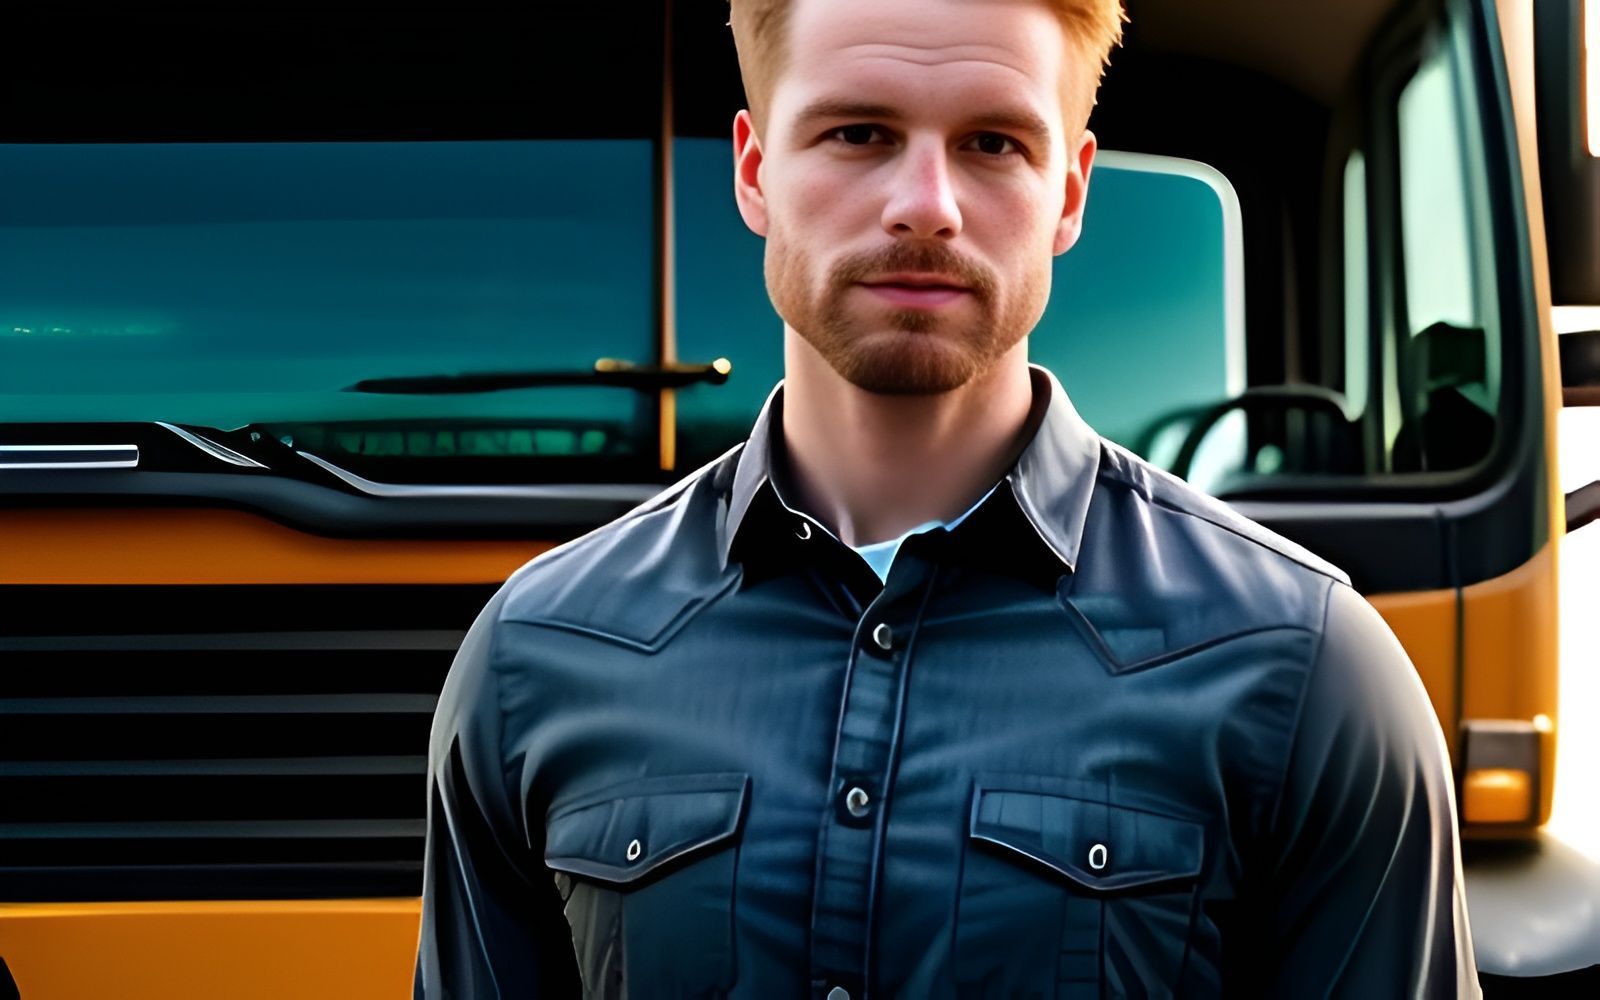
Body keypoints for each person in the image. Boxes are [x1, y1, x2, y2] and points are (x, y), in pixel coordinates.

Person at [414, 0, 1479, 995]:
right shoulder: (533, 657)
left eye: (992, 143)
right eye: (859, 134)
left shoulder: (1306, 668)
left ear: (1066, 192)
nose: (925, 205)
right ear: (752, 171)